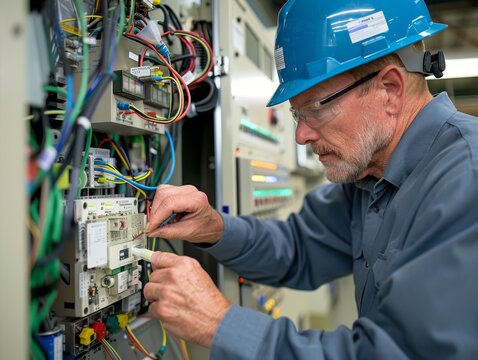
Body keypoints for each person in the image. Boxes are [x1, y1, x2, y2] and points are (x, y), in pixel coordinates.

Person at [143, 1, 478, 358]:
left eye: (316, 107)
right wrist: (214, 228)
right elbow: (297, 248)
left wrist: (220, 324)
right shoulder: (371, 176)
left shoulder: (464, 179)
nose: (301, 136)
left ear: (390, 90)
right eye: (296, 114)